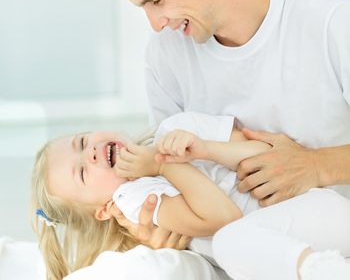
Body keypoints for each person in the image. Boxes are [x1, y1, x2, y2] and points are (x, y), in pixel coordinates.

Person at [104, 0, 350, 217]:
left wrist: (316, 166)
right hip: (232, 247)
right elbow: (169, 168)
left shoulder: (333, 24)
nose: (156, 24)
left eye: (157, 0)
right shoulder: (166, 53)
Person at [32, 112, 350, 280]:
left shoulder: (176, 128)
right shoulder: (137, 200)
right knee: (229, 243)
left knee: (230, 244)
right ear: (104, 210)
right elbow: (224, 218)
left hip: (317, 210)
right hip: (300, 242)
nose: (91, 154)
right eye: (83, 173)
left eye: (82, 142)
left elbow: (270, 155)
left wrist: (207, 149)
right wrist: (162, 162)